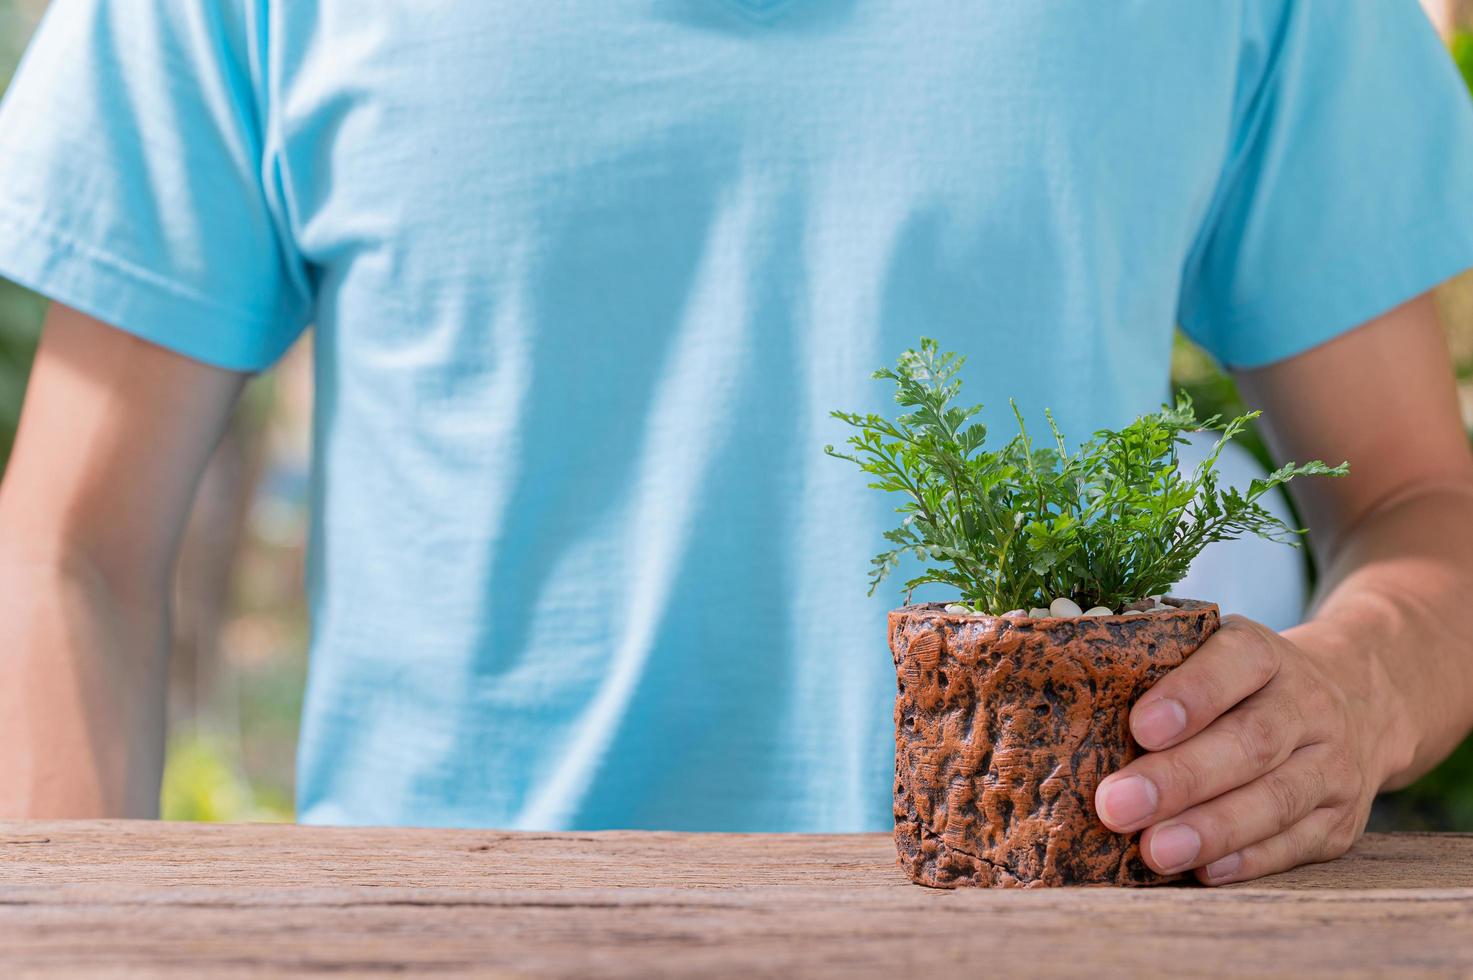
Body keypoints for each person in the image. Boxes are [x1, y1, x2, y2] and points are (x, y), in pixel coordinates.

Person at [2, 0, 1473, 887]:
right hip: (415, 949)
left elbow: (1419, 501)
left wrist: (1355, 689)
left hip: (1041, 937)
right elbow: (69, 552)